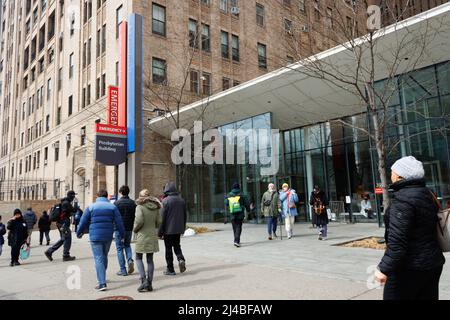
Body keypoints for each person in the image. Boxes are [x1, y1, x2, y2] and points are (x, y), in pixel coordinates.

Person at [375, 156, 445, 300]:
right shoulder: (427, 194)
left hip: (408, 267)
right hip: (433, 263)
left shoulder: (402, 200)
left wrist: (384, 269)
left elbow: (397, 241)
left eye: (392, 172)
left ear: (400, 176)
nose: (391, 175)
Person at [77, 189, 125, 292]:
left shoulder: (91, 207)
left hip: (95, 236)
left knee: (98, 258)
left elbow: (83, 221)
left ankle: (102, 283)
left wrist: (78, 232)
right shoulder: (112, 207)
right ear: (107, 196)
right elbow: (119, 222)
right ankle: (102, 275)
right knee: (104, 256)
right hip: (107, 236)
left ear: (97, 196)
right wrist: (122, 234)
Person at [134, 189, 162, 292]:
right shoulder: (156, 208)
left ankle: (143, 280)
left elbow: (139, 220)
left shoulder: (139, 207)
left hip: (142, 235)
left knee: (138, 257)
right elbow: (159, 222)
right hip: (152, 235)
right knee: (150, 259)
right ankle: (149, 283)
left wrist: (135, 229)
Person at [159, 182, 187, 275]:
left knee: (168, 249)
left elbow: (162, 218)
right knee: (177, 246)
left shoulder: (165, 201)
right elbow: (185, 216)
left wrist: (160, 232)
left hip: (168, 230)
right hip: (178, 229)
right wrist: (183, 228)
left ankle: (170, 269)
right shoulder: (181, 200)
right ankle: (181, 259)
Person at [45, 191, 77, 262]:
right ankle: (65, 255)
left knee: (64, 239)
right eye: (73, 196)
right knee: (67, 239)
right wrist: (76, 203)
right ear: (71, 196)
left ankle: (50, 252)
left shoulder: (64, 202)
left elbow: (68, 212)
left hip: (61, 223)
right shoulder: (66, 203)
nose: (74, 197)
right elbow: (74, 210)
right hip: (63, 224)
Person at [114, 185, 137, 276]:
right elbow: (135, 215)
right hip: (129, 228)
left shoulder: (116, 203)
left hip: (119, 229)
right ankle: (130, 260)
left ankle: (123, 270)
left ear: (120, 192)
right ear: (128, 192)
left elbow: (114, 216)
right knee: (127, 245)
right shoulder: (133, 203)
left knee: (119, 248)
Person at [225, 182, 251, 247]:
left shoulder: (229, 195)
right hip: (240, 213)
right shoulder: (242, 194)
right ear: (239, 187)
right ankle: (237, 241)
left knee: (234, 227)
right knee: (239, 226)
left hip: (232, 213)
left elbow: (226, 203)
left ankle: (236, 240)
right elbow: (247, 203)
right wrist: (248, 210)